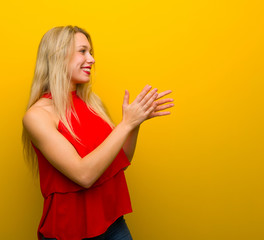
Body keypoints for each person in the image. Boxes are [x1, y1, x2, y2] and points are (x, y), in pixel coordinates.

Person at [22, 25, 174, 240]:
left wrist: (134, 124)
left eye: (91, 52)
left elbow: (122, 159)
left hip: (112, 224)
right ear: (58, 55)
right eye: (83, 51)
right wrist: (125, 124)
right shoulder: (37, 116)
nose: (92, 59)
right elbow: (84, 175)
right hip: (69, 233)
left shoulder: (93, 104)